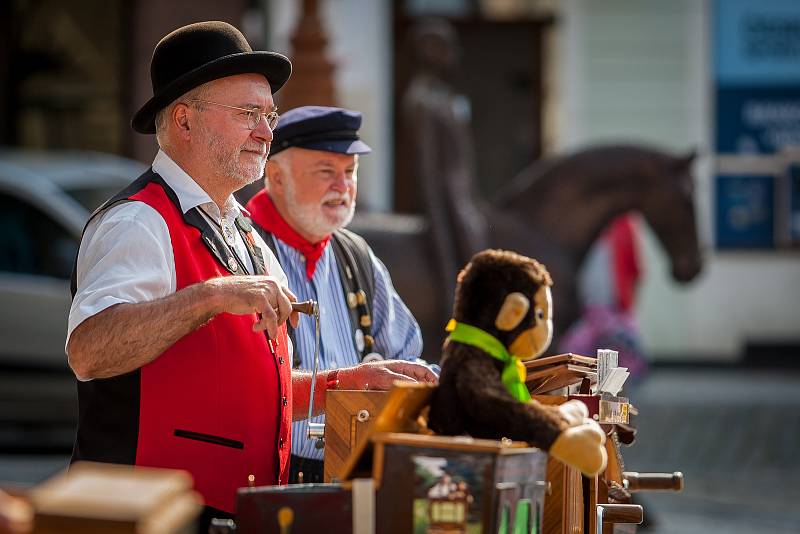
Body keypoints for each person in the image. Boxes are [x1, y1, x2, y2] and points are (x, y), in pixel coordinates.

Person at [65, 21, 436, 526]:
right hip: (154, 515)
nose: (266, 132)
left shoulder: (245, 231)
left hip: (236, 513)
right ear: (184, 121)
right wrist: (212, 295)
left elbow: (256, 390)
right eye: (247, 114)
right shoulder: (139, 220)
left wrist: (345, 383)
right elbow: (90, 351)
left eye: (269, 115)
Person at [244, 106, 426, 483]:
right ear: (276, 178)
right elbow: (241, 388)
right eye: (326, 172)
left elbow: (406, 357)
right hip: (264, 477)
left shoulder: (355, 253)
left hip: (356, 474)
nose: (343, 188)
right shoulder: (243, 251)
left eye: (350, 172)